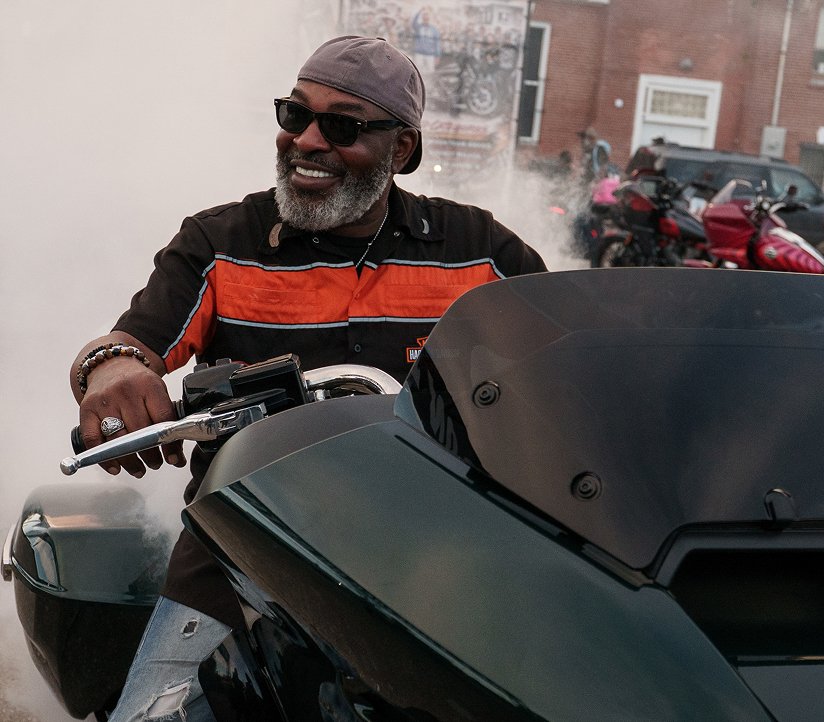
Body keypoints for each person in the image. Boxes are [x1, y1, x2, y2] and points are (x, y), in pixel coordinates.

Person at [70, 36, 546, 722]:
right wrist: (108, 370)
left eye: (343, 127)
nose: (308, 141)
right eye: (296, 115)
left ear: (401, 150)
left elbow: (568, 354)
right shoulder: (219, 242)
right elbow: (129, 345)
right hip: (239, 550)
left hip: (433, 558)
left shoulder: (478, 253)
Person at [411, 8, 440, 78]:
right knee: (418, 73)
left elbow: (437, 43)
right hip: (419, 53)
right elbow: (413, 22)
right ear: (422, 18)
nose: (426, 19)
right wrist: (419, 11)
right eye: (424, 18)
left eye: (427, 18)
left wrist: (437, 56)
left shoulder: (434, 29)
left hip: (430, 54)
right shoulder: (418, 27)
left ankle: (430, 88)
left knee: (430, 73)